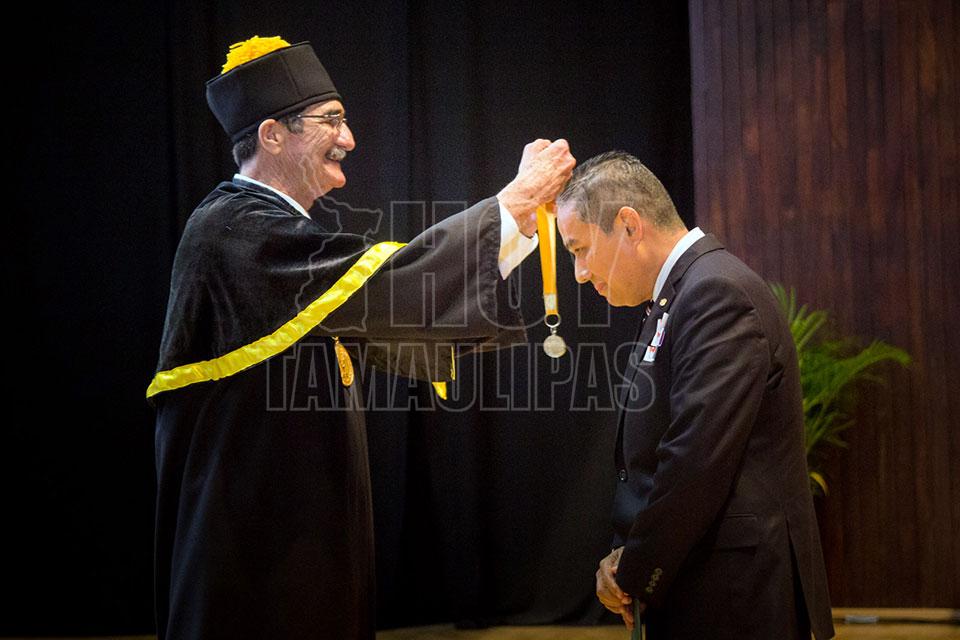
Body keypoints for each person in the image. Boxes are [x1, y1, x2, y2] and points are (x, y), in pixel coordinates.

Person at [149, 36, 574, 640]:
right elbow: (392, 289)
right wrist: (515, 201)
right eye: (331, 120)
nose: (348, 138)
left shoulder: (273, 228)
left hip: (296, 526)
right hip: (254, 539)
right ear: (272, 135)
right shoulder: (235, 228)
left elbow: (388, 312)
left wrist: (517, 219)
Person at [556, 151, 834, 640]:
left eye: (579, 249)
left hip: (734, 598)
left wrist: (635, 569)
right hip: (703, 584)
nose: (578, 272)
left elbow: (695, 459)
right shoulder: (679, 294)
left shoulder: (715, 292)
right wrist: (629, 555)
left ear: (629, 225)